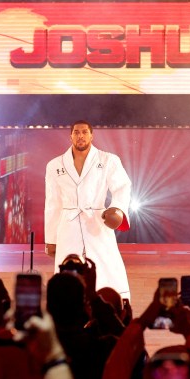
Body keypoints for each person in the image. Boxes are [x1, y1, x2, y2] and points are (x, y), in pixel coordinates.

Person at [45, 121, 132, 297]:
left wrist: (117, 209)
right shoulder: (54, 165)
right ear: (70, 136)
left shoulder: (108, 160)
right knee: (67, 266)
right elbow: (53, 202)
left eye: (85, 132)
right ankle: (67, 306)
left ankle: (113, 302)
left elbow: (123, 186)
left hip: (98, 222)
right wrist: (51, 238)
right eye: (76, 132)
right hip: (67, 224)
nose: (80, 136)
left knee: (106, 264)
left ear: (91, 135)